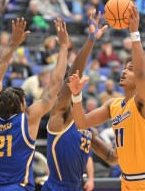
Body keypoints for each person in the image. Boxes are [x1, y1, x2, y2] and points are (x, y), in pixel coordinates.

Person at [68, 6, 145, 190]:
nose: (124, 71)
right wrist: (76, 96)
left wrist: (134, 33)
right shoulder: (113, 105)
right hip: (127, 181)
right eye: (125, 68)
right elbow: (81, 123)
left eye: (129, 69)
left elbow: (141, 75)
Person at [0, 18, 68, 190]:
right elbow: (56, 83)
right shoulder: (27, 120)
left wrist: (13, 44)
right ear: (22, 106)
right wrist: (64, 47)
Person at [42, 10, 117, 191]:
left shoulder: (86, 129)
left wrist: (126, 139)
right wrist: (91, 40)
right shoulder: (61, 117)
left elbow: (111, 158)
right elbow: (73, 76)